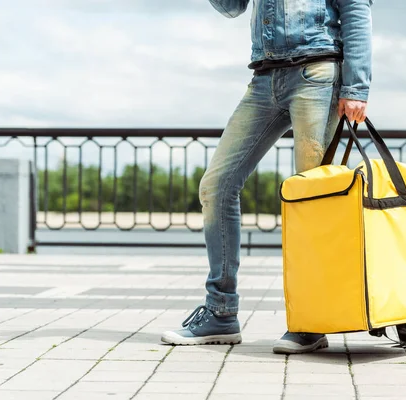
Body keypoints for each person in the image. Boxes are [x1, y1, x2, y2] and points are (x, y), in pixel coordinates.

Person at [161, 0, 373, 354]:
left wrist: (356, 88)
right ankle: (221, 313)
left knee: (313, 202)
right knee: (217, 185)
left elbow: (355, 9)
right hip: (264, 77)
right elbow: (231, 8)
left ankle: (312, 320)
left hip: (317, 73)